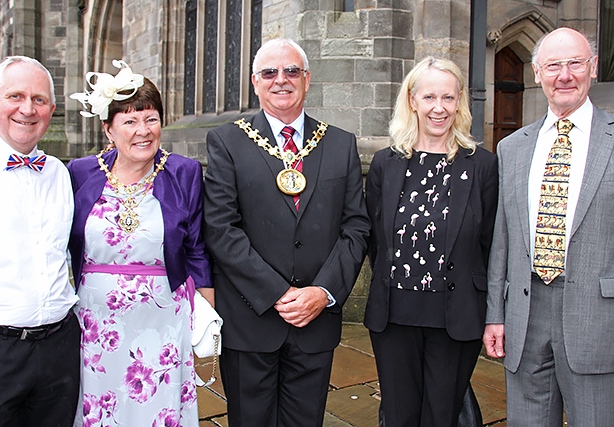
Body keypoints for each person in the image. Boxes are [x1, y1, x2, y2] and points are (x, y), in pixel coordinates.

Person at [203, 38, 370, 426]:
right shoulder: (227, 141)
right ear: (254, 82)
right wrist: (278, 293)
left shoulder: (340, 144)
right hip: (250, 319)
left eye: (292, 71)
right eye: (270, 72)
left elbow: (356, 227)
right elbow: (221, 228)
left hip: (315, 320)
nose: (282, 80)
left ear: (307, 79)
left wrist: (322, 292)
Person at [68, 60, 212, 426]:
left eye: (151, 119)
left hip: (163, 318)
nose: (143, 131)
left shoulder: (184, 172)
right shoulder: (80, 173)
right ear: (108, 128)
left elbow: (196, 247)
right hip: (96, 321)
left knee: (156, 408)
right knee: (98, 407)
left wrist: (207, 318)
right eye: (130, 121)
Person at [483, 27, 614, 426]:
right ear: (537, 73)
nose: (565, 75)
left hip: (598, 316)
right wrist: (495, 313)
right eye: (553, 65)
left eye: (575, 63)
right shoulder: (512, 148)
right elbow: (501, 238)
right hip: (525, 313)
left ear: (592, 68)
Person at [365, 56, 498, 427]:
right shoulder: (384, 164)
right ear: (412, 100)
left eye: (448, 98)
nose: (439, 108)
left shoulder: (482, 166)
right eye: (429, 98)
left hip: (455, 317)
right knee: (399, 415)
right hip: (394, 317)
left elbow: (489, 243)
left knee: (441, 415)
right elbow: (377, 239)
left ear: (459, 103)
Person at [0, 56, 81, 426]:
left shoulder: (59, 174)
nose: (27, 109)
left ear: (51, 110)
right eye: (15, 96)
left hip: (60, 348)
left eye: (38, 100)